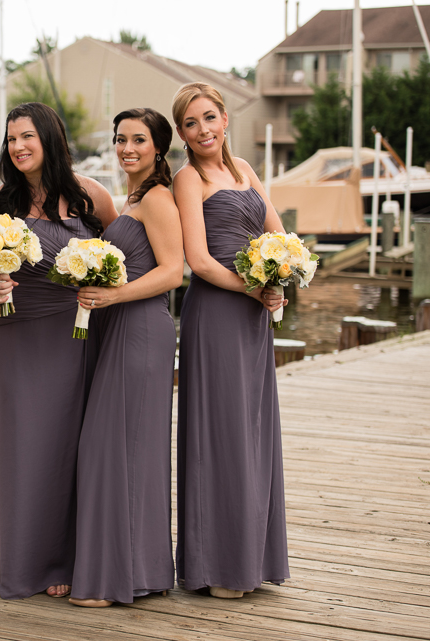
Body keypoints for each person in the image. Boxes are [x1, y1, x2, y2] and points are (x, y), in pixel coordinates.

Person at [0, 102, 116, 600]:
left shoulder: (90, 197)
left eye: (27, 136)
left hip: (72, 334)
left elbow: (119, 260)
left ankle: (63, 558)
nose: (18, 147)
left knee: (65, 446)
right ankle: (20, 559)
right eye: (11, 139)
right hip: (12, 333)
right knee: (18, 445)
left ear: (50, 138)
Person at [171, 82, 290, 598]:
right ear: (181, 133)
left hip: (252, 318)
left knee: (253, 430)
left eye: (210, 118)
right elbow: (196, 260)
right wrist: (253, 286)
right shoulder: (187, 180)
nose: (203, 130)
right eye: (191, 123)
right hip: (216, 314)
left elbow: (280, 239)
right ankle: (217, 564)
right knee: (221, 433)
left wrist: (279, 285)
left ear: (225, 118)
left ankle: (250, 557)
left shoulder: (246, 172)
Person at [67, 108, 183, 607]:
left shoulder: (158, 198)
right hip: (117, 329)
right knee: (118, 447)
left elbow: (174, 272)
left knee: (125, 448)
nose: (127, 148)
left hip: (141, 331)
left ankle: (123, 577)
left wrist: (114, 295)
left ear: (159, 147)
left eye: (139, 139)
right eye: (120, 139)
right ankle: (141, 570)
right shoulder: (129, 199)